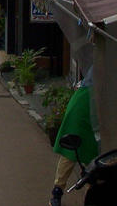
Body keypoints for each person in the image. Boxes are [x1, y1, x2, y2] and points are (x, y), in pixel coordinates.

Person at [48, 69, 98, 206]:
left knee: (95, 155)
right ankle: (57, 191)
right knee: (70, 152)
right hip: (83, 106)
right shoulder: (103, 62)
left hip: (98, 108)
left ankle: (93, 191)